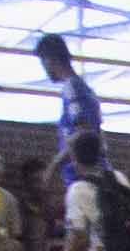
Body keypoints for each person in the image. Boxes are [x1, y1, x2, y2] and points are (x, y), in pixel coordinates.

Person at [34, 31, 105, 189]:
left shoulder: (72, 88)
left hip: (85, 179)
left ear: (51, 59)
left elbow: (83, 134)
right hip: (95, 176)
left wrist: (53, 167)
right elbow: (99, 136)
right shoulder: (86, 90)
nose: (44, 68)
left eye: (43, 62)